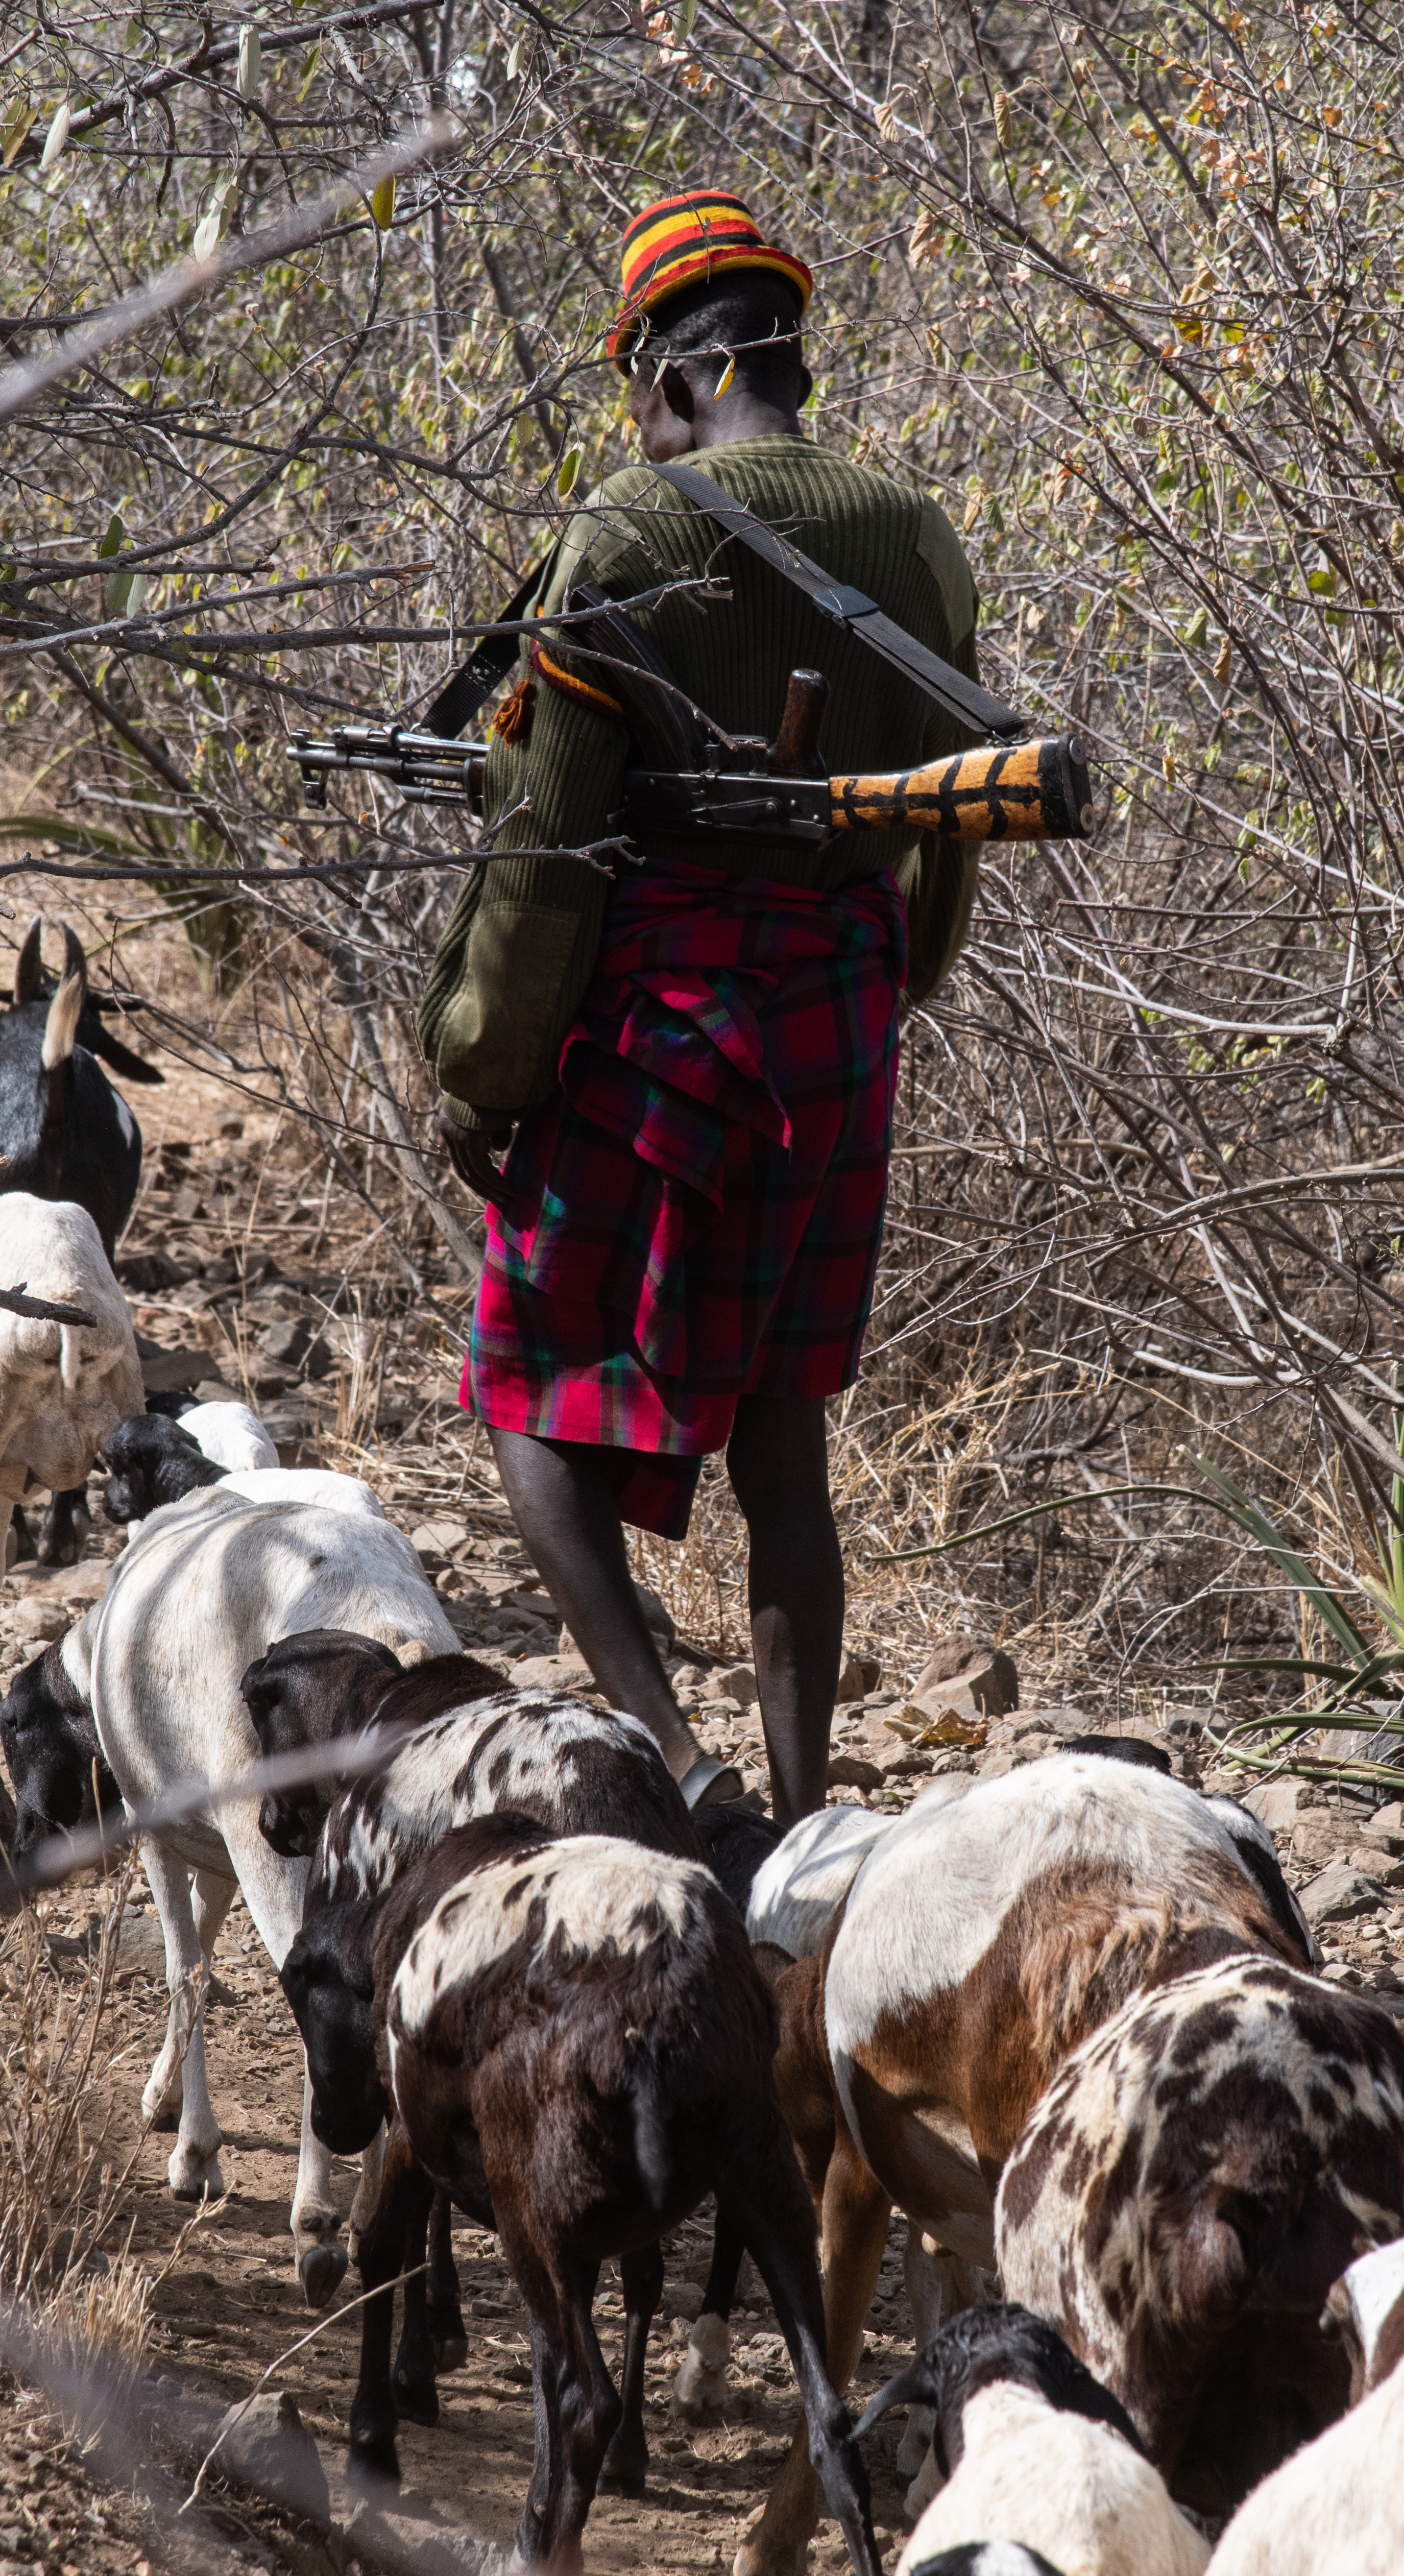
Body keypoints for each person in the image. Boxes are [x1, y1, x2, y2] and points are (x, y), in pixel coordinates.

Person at [419, 187, 986, 1826]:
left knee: (528, 1388)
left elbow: (545, 856)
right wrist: (878, 996)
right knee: (785, 1442)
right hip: (837, 1028)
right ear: (785, 359)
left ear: (669, 383)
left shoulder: (624, 535)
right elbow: (942, 834)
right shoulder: (921, 539)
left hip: (652, 1043)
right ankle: (803, 1819)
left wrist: (481, 1067)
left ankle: (678, 1755)